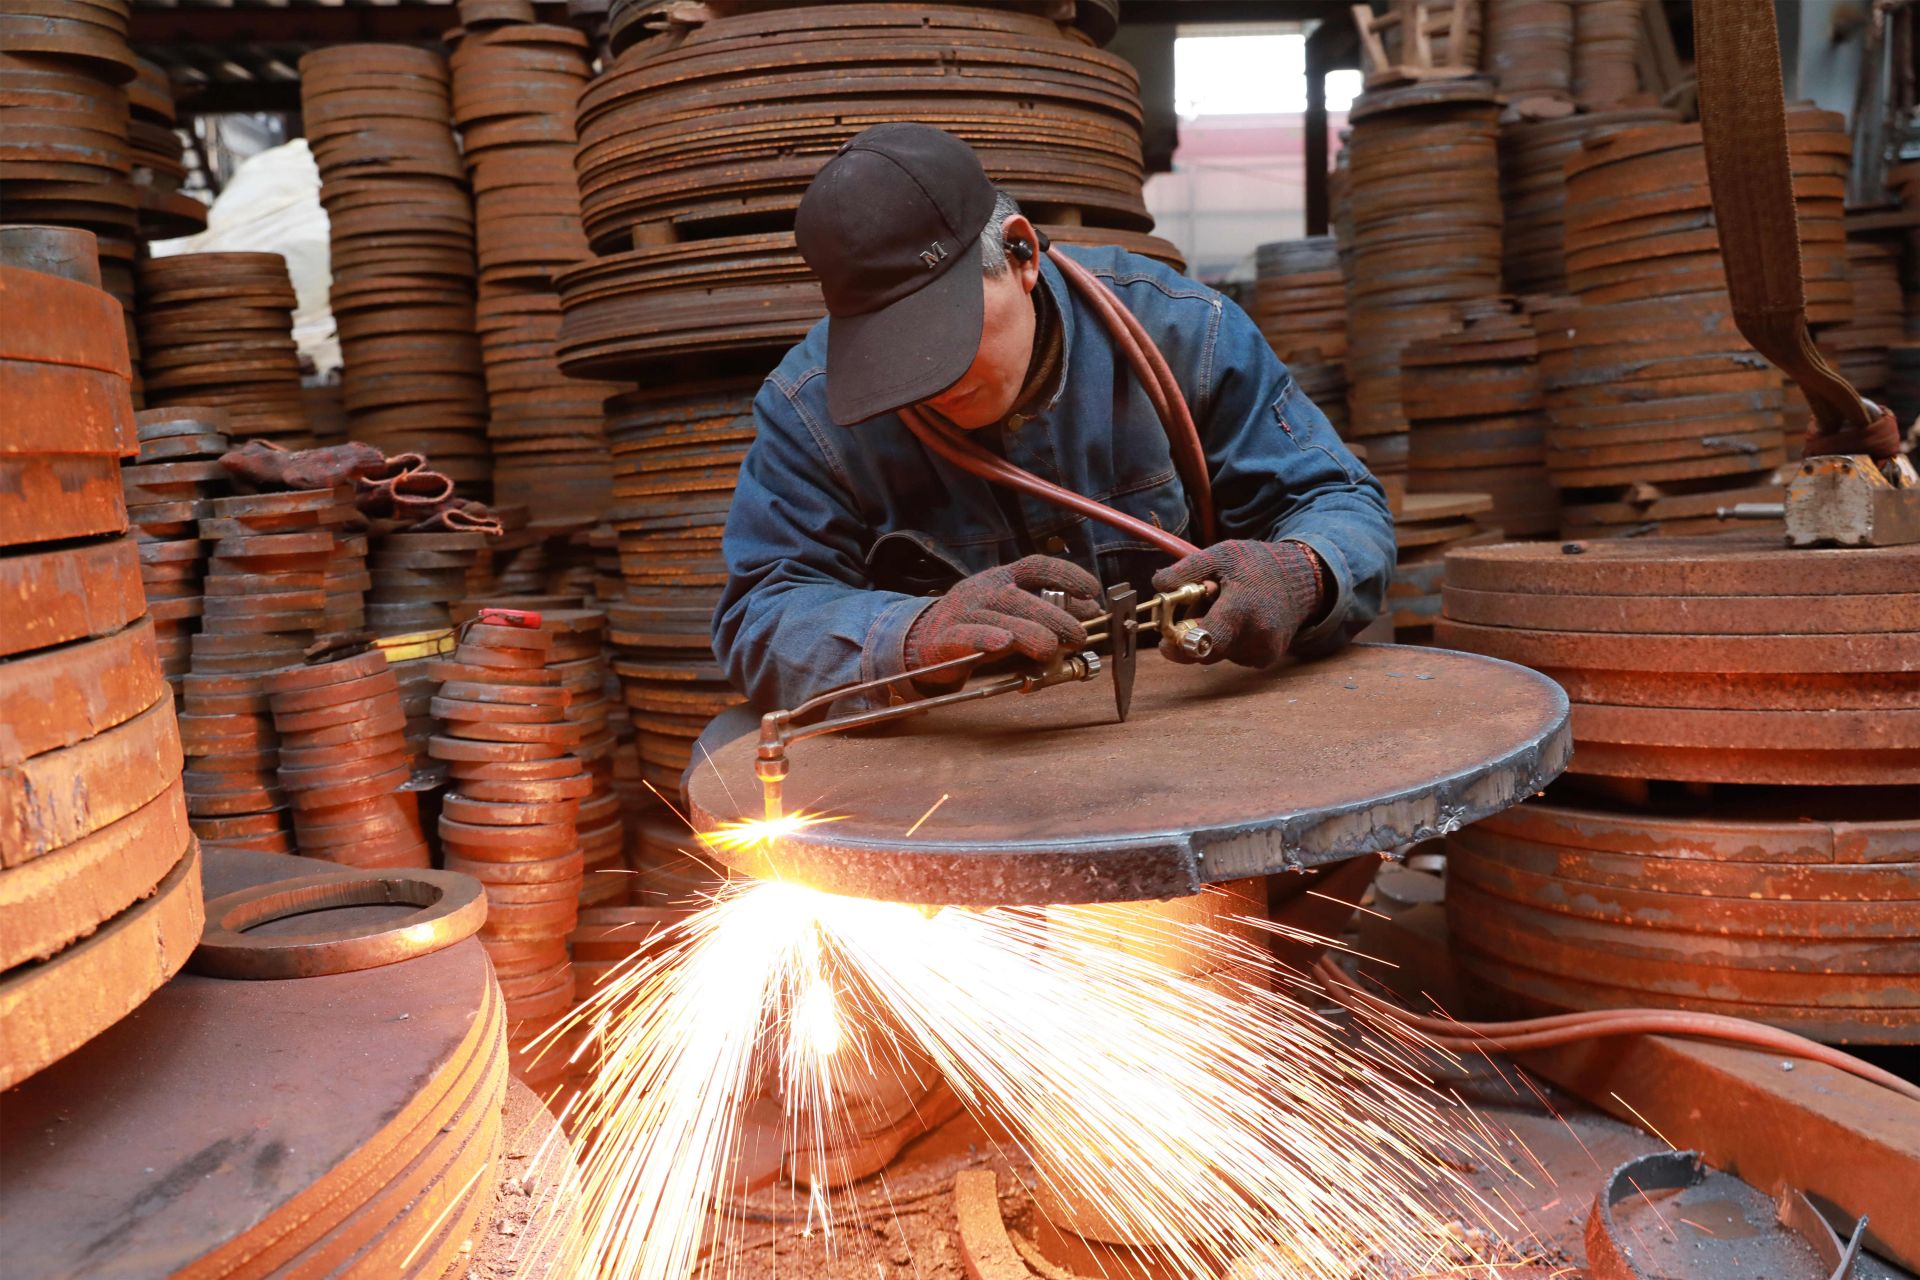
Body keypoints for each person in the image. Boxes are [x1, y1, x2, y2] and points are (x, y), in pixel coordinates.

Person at [709, 122, 1393, 729]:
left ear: (1022, 255)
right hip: (974, 743)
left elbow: (1339, 505)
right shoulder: (811, 407)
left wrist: (1302, 571)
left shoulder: (1188, 334)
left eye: (942, 339)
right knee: (731, 749)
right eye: (891, 355)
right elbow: (761, 613)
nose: (926, 381)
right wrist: (912, 637)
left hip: (1186, 709)